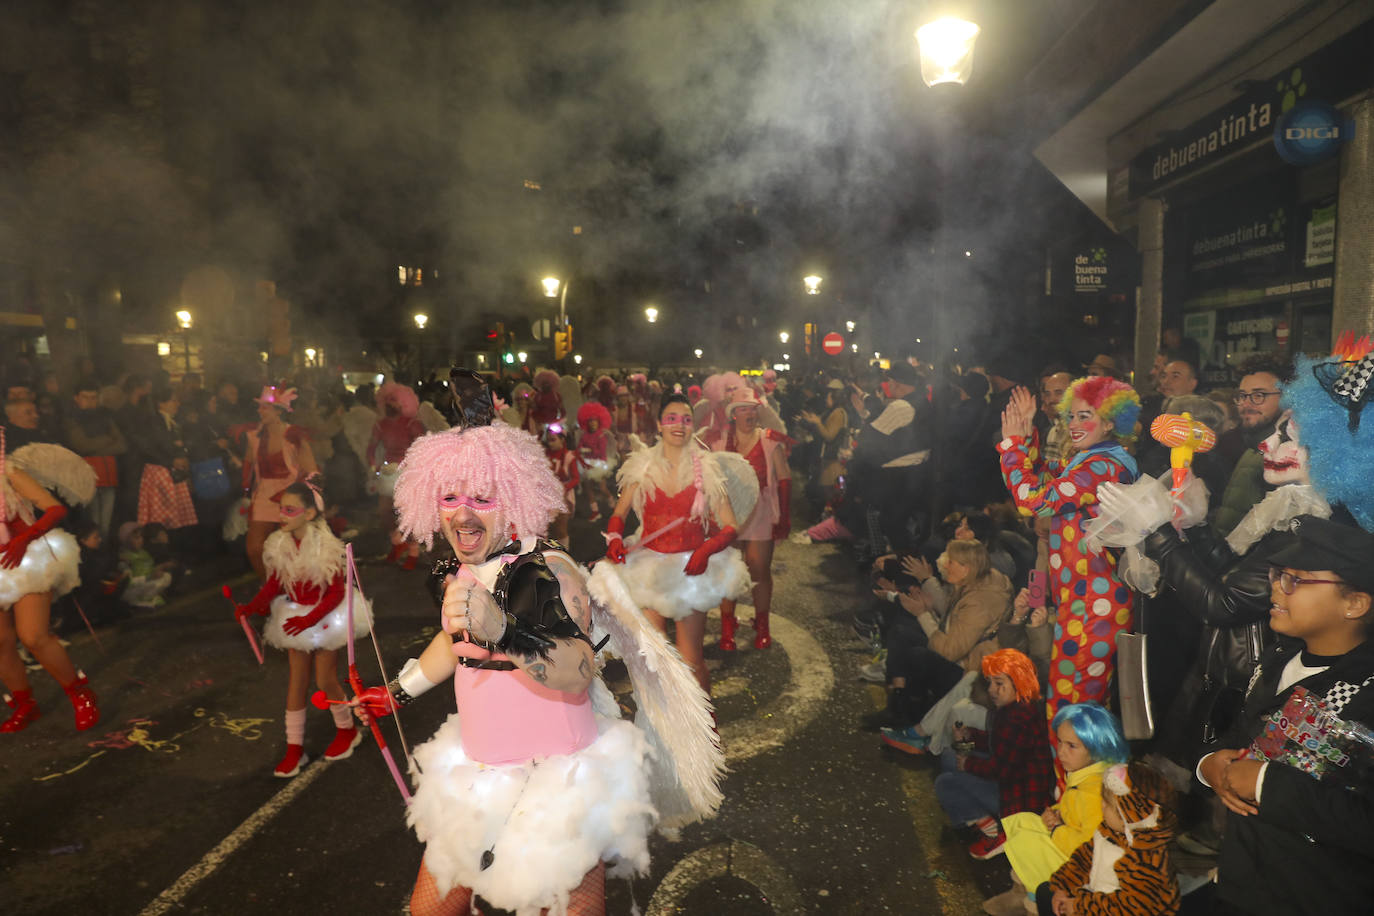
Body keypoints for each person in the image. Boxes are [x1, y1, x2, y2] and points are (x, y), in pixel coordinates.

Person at [354, 401, 722, 916]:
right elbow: (453, 642)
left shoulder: (547, 571)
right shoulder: (466, 565)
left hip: (557, 781)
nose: (462, 514)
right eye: (449, 497)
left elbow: (577, 670)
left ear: (514, 499)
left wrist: (504, 630)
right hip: (479, 769)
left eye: (482, 498)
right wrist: (397, 690)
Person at [998, 376, 1139, 716]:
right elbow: (1043, 474)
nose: (1074, 425)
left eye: (1085, 416)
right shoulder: (1090, 460)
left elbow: (1034, 500)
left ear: (1109, 422)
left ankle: (1075, 770)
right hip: (1081, 600)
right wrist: (1026, 433)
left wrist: (1012, 446)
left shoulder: (1102, 466)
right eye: (1071, 416)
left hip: (1094, 603)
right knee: (1074, 705)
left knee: (1072, 710)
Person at [605, 393, 754, 693]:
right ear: (660, 425)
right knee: (654, 656)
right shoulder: (642, 466)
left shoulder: (705, 468)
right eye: (672, 418)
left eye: (686, 420)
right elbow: (619, 513)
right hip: (649, 568)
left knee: (690, 658)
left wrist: (707, 549)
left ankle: (705, 731)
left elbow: (730, 525)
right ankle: (662, 726)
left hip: (691, 571)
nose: (679, 425)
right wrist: (615, 539)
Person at [229, 479, 370, 777]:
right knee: (296, 682)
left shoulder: (327, 547)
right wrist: (252, 606)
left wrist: (309, 620)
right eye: (281, 509)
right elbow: (275, 583)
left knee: (324, 680)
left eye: (290, 510)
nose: (282, 515)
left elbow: (335, 593)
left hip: (326, 616)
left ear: (308, 514)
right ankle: (295, 747)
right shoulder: (279, 544)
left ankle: (347, 730)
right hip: (296, 616)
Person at [991, 702, 1129, 914]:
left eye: (1072, 746)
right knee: (1023, 820)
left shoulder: (1093, 792)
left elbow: (1090, 847)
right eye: (1060, 743)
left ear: (1096, 748)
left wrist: (1057, 829)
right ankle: (1022, 888)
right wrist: (1057, 812)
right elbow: (1072, 806)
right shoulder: (1088, 773)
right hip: (1075, 846)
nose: (1061, 752)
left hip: (1088, 870)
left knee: (1027, 841)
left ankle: (1033, 903)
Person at [0, 439, 99, 732]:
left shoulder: (8, 472)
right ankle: (25, 704)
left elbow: (55, 509)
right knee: (0, 642)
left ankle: (81, 694)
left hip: (25, 560)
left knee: (33, 636)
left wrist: (23, 539)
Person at [874, 538, 1014, 741]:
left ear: (966, 569)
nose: (946, 565)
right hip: (959, 654)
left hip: (969, 669)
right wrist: (926, 604)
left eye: (951, 562)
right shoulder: (974, 582)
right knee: (901, 632)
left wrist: (923, 614)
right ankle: (898, 706)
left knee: (917, 656)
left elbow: (949, 651)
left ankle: (911, 716)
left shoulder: (980, 603)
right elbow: (951, 616)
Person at [931, 649, 1057, 862]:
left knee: (945, 781)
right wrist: (971, 736)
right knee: (949, 757)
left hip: (1021, 802)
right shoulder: (1017, 707)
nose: (992, 690)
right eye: (990, 683)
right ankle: (984, 821)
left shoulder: (1018, 717)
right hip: (1018, 788)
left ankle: (991, 827)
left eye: (999, 684)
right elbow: (998, 745)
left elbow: (1001, 770)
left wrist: (968, 764)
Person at [1041, 761, 1180, 916]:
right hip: (1096, 900)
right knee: (1045, 893)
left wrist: (1079, 905)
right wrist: (1064, 886)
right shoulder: (1108, 830)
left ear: (1126, 816)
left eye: (1106, 804)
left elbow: (1130, 908)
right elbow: (1084, 858)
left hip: (1115, 909)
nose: (1101, 806)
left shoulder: (1148, 858)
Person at [714, 387, 791, 651]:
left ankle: (763, 625)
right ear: (733, 414)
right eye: (743, 409)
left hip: (760, 515)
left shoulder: (770, 441)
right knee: (729, 571)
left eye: (753, 408)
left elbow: (784, 478)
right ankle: (727, 627)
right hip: (729, 515)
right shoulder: (719, 441)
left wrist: (784, 518)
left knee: (758, 570)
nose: (749, 413)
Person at [243, 386, 317, 579]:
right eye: (259, 407)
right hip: (264, 494)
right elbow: (248, 464)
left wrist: (307, 498)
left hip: (290, 495)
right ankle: (269, 586)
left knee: (293, 549)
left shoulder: (293, 436)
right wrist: (245, 493)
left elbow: (311, 471)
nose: (259, 411)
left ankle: (295, 587)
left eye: (264, 408)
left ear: (278, 411)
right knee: (255, 548)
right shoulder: (255, 436)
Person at [369, 382, 427, 569]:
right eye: (387, 401)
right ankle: (397, 542)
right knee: (384, 512)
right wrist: (375, 467)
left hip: (408, 473)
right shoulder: (381, 425)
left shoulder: (413, 424)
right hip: (388, 473)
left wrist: (413, 469)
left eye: (394, 401)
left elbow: (423, 449)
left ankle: (413, 551)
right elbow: (370, 448)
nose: (389, 404)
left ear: (404, 403)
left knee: (407, 515)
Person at [133, 384, 199, 539]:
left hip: (171, 472)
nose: (178, 404)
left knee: (175, 514)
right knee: (162, 515)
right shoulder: (153, 422)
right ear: (161, 403)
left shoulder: (172, 422)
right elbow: (150, 448)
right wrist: (171, 460)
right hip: (159, 472)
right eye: (173, 400)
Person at [64, 378, 127, 538]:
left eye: (93, 398)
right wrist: (107, 440)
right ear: (76, 398)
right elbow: (82, 446)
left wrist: (95, 448)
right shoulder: (71, 418)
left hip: (108, 476)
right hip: (87, 478)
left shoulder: (106, 416)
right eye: (86, 397)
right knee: (92, 524)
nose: (90, 402)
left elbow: (122, 445)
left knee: (106, 524)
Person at [575, 402, 615, 522]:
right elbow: (579, 447)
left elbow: (600, 453)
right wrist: (582, 450)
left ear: (599, 422)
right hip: (586, 464)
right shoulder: (585, 435)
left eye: (594, 420)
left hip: (599, 464)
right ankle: (595, 511)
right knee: (588, 488)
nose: (592, 423)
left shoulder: (601, 436)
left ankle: (612, 502)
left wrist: (587, 450)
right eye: (590, 421)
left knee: (602, 487)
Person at [542, 424, 578, 545]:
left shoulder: (569, 456)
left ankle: (564, 554)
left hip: (564, 496)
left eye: (553, 440)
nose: (550, 443)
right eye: (548, 440)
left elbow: (576, 478)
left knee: (560, 529)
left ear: (562, 440)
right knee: (544, 528)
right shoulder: (544, 454)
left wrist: (563, 488)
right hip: (545, 495)